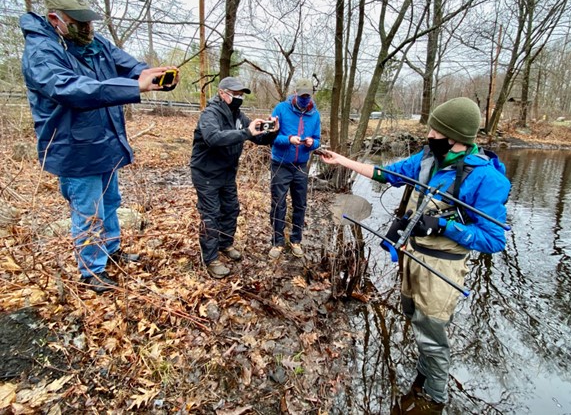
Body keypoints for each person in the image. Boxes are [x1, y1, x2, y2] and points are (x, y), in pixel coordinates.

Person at [320, 97, 510, 410]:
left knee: (432, 330)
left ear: (453, 138)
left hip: (443, 269)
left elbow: (493, 239)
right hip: (413, 257)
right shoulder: (428, 160)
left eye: (434, 132)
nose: (428, 136)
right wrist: (342, 161)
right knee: (412, 315)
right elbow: (386, 174)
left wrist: (443, 226)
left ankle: (434, 398)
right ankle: (423, 372)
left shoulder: (487, 180)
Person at [20, 0, 179, 294]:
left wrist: (150, 74)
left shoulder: (94, 42)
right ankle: (91, 271)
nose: (87, 27)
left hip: (104, 141)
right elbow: (72, 89)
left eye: (88, 21)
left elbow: (126, 64)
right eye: (79, 22)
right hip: (74, 149)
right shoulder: (41, 53)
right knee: (88, 210)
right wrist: (135, 88)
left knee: (110, 202)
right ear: (56, 19)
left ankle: (111, 251)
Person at [190, 76, 278, 278]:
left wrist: (272, 131)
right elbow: (214, 138)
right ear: (222, 93)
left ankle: (225, 244)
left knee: (231, 209)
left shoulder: (238, 115)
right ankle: (211, 259)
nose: (239, 97)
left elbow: (258, 138)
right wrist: (246, 132)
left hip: (227, 173)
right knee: (211, 215)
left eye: (241, 94)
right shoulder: (210, 114)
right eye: (235, 94)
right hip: (206, 174)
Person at [268, 78, 321, 260]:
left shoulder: (314, 114)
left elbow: (317, 139)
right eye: (302, 95)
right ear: (296, 93)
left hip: (301, 166)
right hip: (280, 164)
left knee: (300, 204)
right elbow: (271, 135)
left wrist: (311, 143)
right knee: (278, 204)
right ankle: (277, 242)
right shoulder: (281, 109)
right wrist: (288, 139)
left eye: (308, 95)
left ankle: (296, 240)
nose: (305, 98)